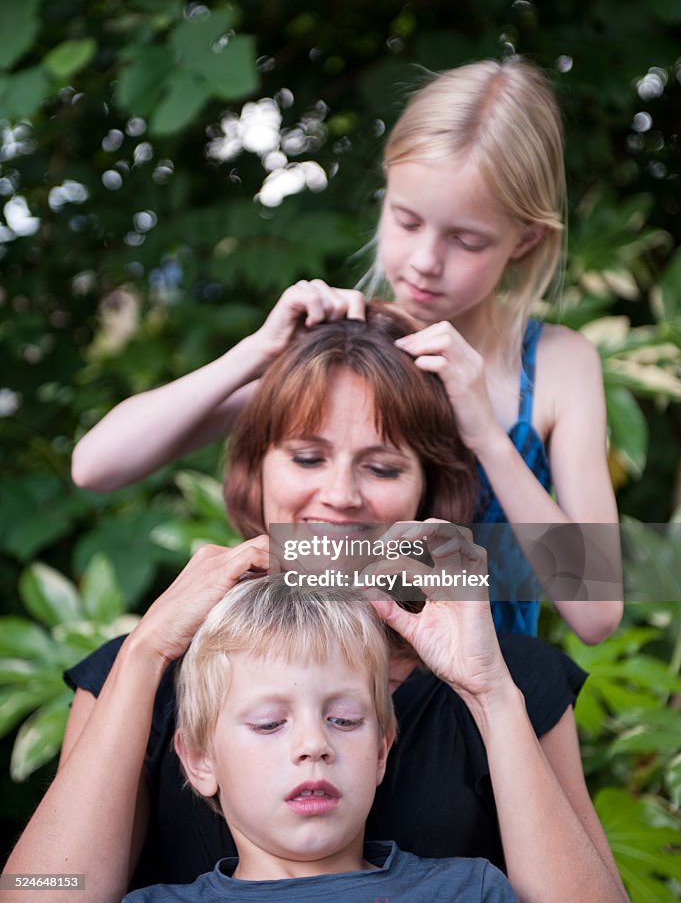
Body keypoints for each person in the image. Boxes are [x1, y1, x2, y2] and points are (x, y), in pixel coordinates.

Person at [5, 309, 627, 903]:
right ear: (257, 472)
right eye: (307, 458)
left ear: (427, 491)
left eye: (381, 468)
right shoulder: (142, 671)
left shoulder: (513, 677)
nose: (339, 495)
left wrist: (491, 694)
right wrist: (146, 652)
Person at [70, 59, 621, 643]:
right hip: (321, 692)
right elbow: (96, 466)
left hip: (487, 706)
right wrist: (255, 353)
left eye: (466, 240)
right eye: (407, 220)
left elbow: (596, 613)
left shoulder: (559, 364)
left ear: (526, 239)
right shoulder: (340, 345)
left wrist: (486, 430)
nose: (425, 261)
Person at [122, 575, 518, 902]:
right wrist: (142, 651)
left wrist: (492, 692)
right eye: (269, 723)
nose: (314, 744)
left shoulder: (466, 891)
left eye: (343, 720)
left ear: (381, 752)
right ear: (200, 760)